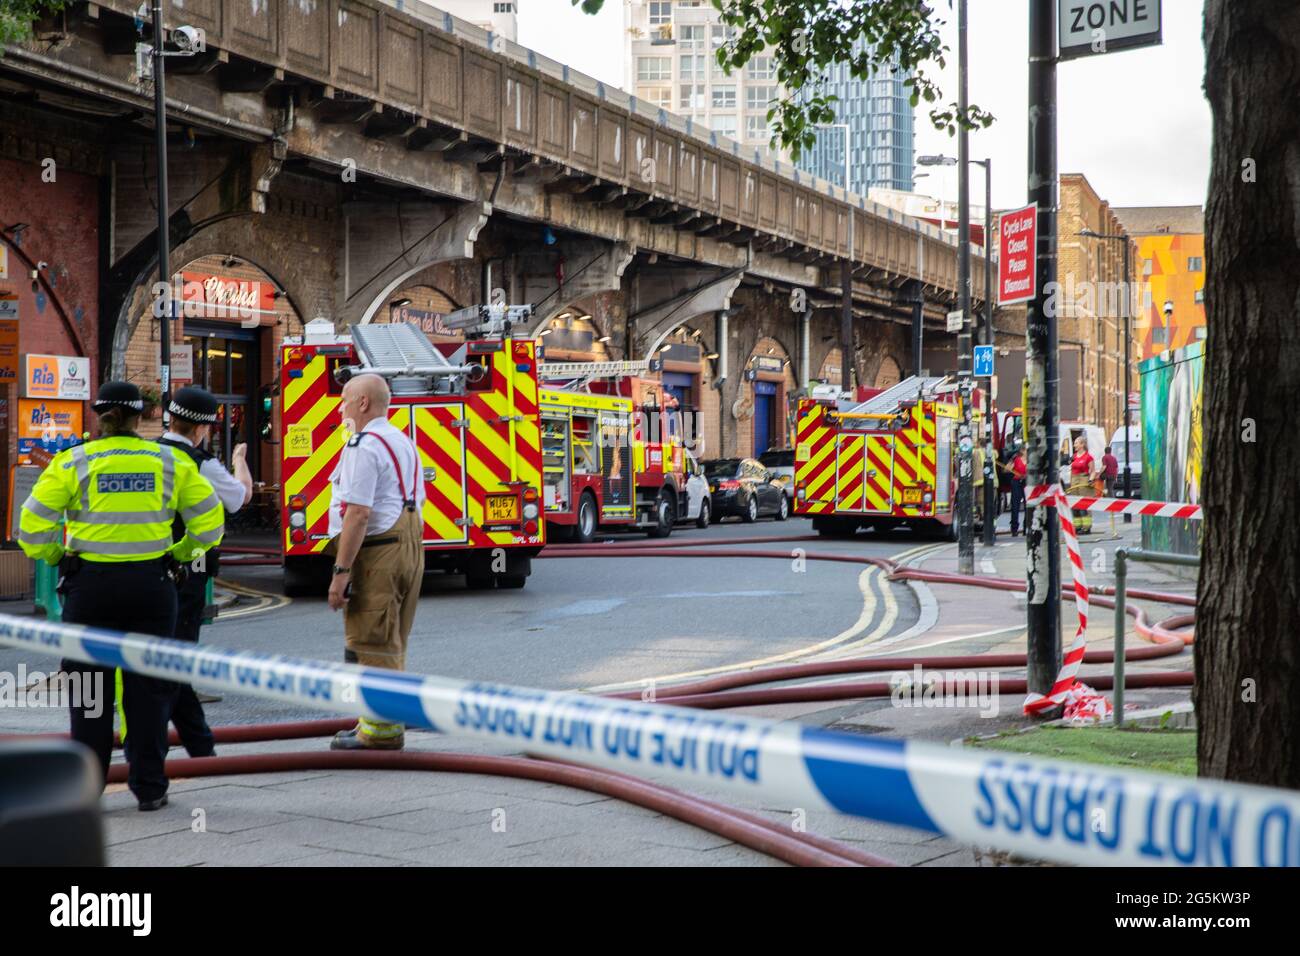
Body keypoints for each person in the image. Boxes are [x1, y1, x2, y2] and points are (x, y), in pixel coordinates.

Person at [18, 382, 224, 810]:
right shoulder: (171, 461)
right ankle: (149, 787)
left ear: (99, 415)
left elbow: (31, 527)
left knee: (89, 691)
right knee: (149, 691)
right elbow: (209, 523)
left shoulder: (73, 461)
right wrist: (179, 555)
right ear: (141, 418)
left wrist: (59, 556)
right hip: (152, 587)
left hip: (89, 588)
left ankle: (86, 788)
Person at [326, 373, 425, 751]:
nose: (341, 407)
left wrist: (341, 572)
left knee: (372, 638)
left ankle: (379, 732)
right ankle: (375, 721)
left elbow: (358, 514)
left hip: (379, 552)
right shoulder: (402, 441)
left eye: (345, 399)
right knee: (392, 636)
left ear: (363, 403)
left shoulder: (362, 444)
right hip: (408, 547)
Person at [158, 386, 253, 758]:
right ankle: (172, 749)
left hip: (143, 567)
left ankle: (198, 747)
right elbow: (239, 498)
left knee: (162, 658)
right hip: (187, 568)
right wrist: (240, 460)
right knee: (177, 657)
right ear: (201, 429)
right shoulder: (199, 462)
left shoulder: (148, 453)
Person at [1068, 435, 1098, 534]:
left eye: (1076, 443)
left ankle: (1086, 527)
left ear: (1082, 444)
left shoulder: (1088, 457)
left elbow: (1093, 471)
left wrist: (1090, 480)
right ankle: (1077, 526)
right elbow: (1071, 469)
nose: (1074, 445)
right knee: (1074, 506)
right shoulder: (1074, 456)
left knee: (1083, 505)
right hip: (1074, 481)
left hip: (1083, 481)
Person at [998, 443, 1027, 536]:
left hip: (1026, 482)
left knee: (1028, 505)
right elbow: (1005, 470)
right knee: (1015, 505)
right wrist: (1010, 466)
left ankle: (1027, 527)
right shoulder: (1016, 459)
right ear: (1022, 451)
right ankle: (1014, 529)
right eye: (1026, 450)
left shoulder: (1030, 460)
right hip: (1016, 483)